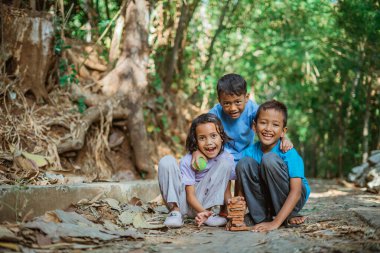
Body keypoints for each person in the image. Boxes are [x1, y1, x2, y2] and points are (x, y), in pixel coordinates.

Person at [235, 100, 310, 232]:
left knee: (268, 159)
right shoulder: (249, 153)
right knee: (243, 163)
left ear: (283, 131)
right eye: (263, 123)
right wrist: (236, 217)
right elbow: (240, 190)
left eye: (275, 125)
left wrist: (275, 223)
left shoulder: (288, 152)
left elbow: (296, 191)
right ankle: (261, 217)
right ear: (254, 126)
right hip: (268, 198)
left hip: (294, 197)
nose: (268, 129)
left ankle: (287, 215)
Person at [192, 73, 292, 168]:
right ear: (219, 101)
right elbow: (199, 132)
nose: (233, 108)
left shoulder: (253, 110)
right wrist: (195, 151)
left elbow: (270, 124)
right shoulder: (215, 114)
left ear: (246, 98)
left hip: (247, 153)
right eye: (227, 103)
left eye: (238, 102)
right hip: (222, 154)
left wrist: (283, 139)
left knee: (248, 169)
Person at [158, 113, 235, 228]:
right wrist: (203, 212)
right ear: (196, 140)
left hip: (206, 204)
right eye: (202, 138)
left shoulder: (227, 158)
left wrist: (230, 214)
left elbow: (226, 190)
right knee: (166, 160)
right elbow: (190, 195)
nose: (209, 142)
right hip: (184, 204)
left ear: (222, 137)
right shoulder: (188, 160)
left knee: (225, 163)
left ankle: (208, 215)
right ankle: (175, 212)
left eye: (213, 136)